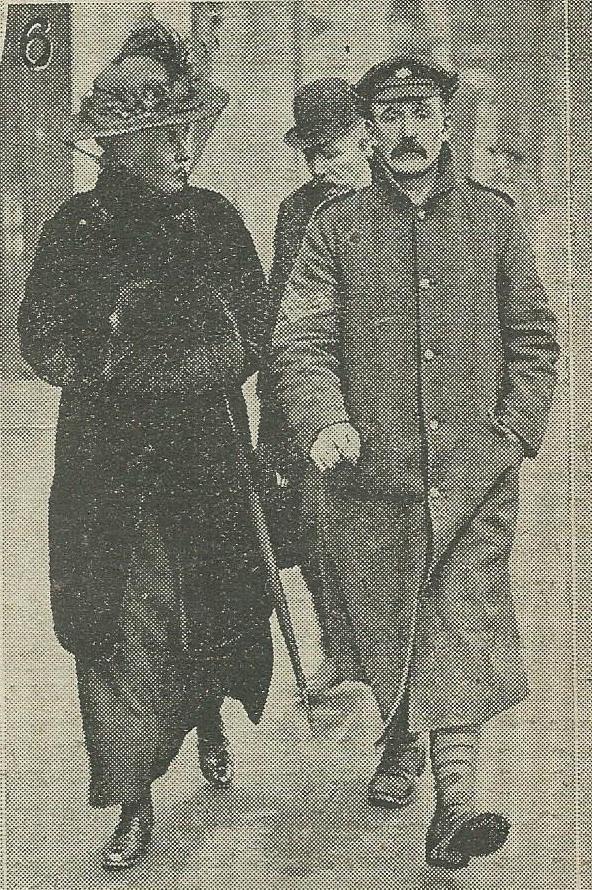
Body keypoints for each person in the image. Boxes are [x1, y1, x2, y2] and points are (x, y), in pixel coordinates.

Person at [271, 56, 559, 869]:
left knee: (456, 620)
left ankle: (456, 804)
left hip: (475, 477)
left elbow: (534, 341)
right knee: (395, 624)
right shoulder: (336, 228)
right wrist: (324, 420)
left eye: (420, 111)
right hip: (373, 483)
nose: (405, 130)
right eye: (389, 114)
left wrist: (513, 432)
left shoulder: (494, 222)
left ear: (444, 122)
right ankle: (399, 743)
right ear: (369, 131)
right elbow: (301, 339)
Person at [18, 19, 274, 870]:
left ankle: (203, 719)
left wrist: (207, 356)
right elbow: (40, 336)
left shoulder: (216, 220)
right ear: (116, 149)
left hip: (205, 459)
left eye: (184, 133)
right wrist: (119, 361)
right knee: (116, 627)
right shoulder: (72, 230)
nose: (182, 150)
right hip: (105, 469)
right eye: (163, 138)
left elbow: (258, 326)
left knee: (204, 610)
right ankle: (129, 799)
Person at [258, 78, 372, 701]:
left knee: (371, 535)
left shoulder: (388, 211)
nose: (325, 160)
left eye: (339, 144)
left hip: (370, 396)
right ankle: (340, 655)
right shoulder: (299, 209)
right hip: (297, 396)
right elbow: (284, 306)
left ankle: (381, 664)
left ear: (366, 138)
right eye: (314, 148)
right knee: (309, 531)